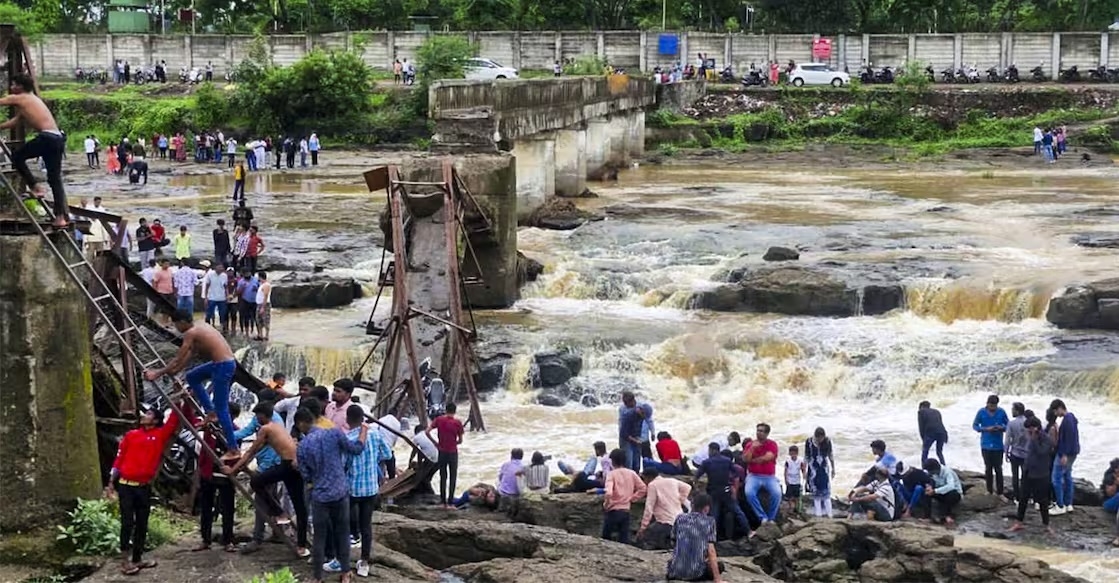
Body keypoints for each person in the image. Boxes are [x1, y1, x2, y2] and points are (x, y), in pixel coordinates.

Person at [144, 310, 241, 460]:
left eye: (176, 324)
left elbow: (178, 357)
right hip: (223, 364)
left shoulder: (191, 332)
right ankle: (210, 412)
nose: (176, 328)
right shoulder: (199, 326)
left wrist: (157, 373)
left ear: (182, 322)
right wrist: (175, 370)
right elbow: (189, 354)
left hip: (222, 366)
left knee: (222, 409)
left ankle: (234, 449)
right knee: (192, 377)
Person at [105, 403, 181, 575]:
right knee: (127, 522)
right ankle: (124, 560)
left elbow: (173, 420)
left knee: (142, 523)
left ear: (156, 420)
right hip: (126, 486)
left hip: (144, 487)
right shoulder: (131, 435)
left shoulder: (160, 435)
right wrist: (111, 481)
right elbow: (119, 458)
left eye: (148, 414)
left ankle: (137, 558)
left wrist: (179, 400)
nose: (144, 416)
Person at [227, 402, 310, 557]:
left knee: (256, 482)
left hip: (287, 465)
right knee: (300, 506)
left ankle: (279, 512)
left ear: (263, 415)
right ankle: (301, 545)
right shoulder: (278, 425)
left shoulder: (266, 429)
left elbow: (250, 452)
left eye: (257, 416)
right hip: (295, 465)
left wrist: (232, 470)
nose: (256, 419)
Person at [297, 407, 366, 583]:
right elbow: (356, 449)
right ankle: (345, 573)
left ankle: (317, 577)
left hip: (320, 495)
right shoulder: (334, 433)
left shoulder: (303, 445)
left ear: (301, 424)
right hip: (340, 492)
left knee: (319, 537)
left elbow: (305, 475)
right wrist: (363, 431)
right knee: (342, 532)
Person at [1, 74, 69, 227]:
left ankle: (35, 187)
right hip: (57, 138)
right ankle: (60, 218)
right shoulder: (31, 100)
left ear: (20, 86)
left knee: (17, 157)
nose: (11, 87)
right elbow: (14, 122)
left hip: (47, 138)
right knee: (54, 179)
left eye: (13, 84)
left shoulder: (20, 98)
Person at [343, 405, 391, 578]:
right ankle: (364, 562)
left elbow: (343, 464)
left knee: (345, 522)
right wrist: (372, 460)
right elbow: (387, 454)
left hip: (352, 488)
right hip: (371, 487)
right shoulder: (375, 434)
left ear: (347, 420)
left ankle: (342, 559)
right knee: (366, 525)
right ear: (362, 418)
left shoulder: (348, 438)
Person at [193, 403, 238, 553]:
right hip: (209, 473)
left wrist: (233, 470)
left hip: (226, 474)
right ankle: (205, 539)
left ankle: (228, 540)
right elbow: (196, 426)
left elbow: (236, 453)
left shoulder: (235, 432)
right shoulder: (211, 427)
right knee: (206, 507)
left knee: (227, 508)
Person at [693, 442, 748, 539]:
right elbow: (736, 473)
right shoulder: (727, 461)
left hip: (713, 492)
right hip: (726, 490)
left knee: (714, 515)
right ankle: (748, 531)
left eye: (709, 450)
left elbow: (696, 476)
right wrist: (732, 485)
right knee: (737, 511)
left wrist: (696, 488)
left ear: (712, 450)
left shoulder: (707, 462)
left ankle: (712, 536)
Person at [1009, 416, 1054, 533]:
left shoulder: (1046, 439)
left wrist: (1034, 440)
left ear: (1036, 428)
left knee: (1043, 501)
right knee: (1023, 498)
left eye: (1029, 429)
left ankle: (1046, 525)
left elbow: (1041, 452)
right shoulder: (1029, 437)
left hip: (1041, 474)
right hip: (1028, 472)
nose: (1027, 432)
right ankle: (1019, 522)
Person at [665, 494, 725, 583]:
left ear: (692, 505)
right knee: (720, 566)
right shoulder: (709, 522)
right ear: (706, 507)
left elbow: (673, 541)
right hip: (695, 573)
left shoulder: (680, 518)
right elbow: (711, 551)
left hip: (675, 572)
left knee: (673, 562)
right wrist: (717, 578)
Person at [638, 467, 691, 550]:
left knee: (649, 539)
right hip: (679, 520)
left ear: (648, 477)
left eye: (644, 479)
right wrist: (681, 499)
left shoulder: (652, 485)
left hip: (665, 522)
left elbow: (649, 507)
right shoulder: (671, 481)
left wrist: (643, 527)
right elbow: (687, 487)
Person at [602, 448, 647, 544]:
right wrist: (632, 498)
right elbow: (643, 488)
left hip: (613, 510)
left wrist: (606, 504)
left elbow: (609, 493)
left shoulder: (611, 474)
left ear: (612, 461)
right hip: (626, 510)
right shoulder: (631, 473)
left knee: (605, 538)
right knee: (623, 538)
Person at [426, 402, 465, 507]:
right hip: (453, 452)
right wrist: (454, 443)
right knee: (453, 477)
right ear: (455, 411)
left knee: (443, 476)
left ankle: (443, 501)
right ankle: (451, 501)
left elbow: (427, 432)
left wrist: (435, 443)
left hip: (442, 451)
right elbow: (460, 440)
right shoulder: (457, 423)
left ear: (445, 410)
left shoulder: (439, 420)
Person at [742, 423, 781, 524]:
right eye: (758, 430)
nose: (759, 433)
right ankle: (762, 517)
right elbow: (745, 459)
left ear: (767, 433)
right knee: (749, 492)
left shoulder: (772, 444)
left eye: (761, 431)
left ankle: (771, 518)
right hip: (753, 475)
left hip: (769, 476)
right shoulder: (750, 444)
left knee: (777, 493)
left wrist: (753, 460)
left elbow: (767, 457)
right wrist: (752, 448)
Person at [973, 394, 1009, 499]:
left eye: (995, 406)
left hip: (998, 445)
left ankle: (1000, 492)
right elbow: (975, 426)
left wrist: (1001, 427)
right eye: (991, 405)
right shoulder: (981, 412)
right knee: (988, 468)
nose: (993, 408)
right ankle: (989, 490)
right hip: (985, 445)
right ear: (987, 403)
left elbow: (1008, 426)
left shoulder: (1001, 412)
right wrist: (985, 429)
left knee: (998, 469)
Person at [1049, 399, 1080, 515]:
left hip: (1065, 453)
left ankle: (1060, 505)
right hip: (1073, 452)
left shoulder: (1067, 420)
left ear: (1060, 408)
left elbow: (1068, 438)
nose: (1055, 414)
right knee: (1067, 476)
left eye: (1055, 411)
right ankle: (1068, 504)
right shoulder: (1071, 418)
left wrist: (1064, 454)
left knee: (1056, 478)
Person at [805, 427, 835, 518]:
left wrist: (833, 468)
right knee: (815, 491)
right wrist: (804, 470)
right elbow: (806, 456)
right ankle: (818, 514)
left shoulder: (827, 441)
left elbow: (830, 455)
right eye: (818, 438)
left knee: (826, 490)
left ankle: (829, 513)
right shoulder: (809, 442)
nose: (820, 440)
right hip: (813, 469)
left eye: (822, 438)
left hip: (823, 468)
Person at [921, 459, 962, 525]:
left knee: (950, 495)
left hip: (954, 493)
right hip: (940, 492)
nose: (929, 473)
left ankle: (947, 516)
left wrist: (935, 491)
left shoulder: (947, 472)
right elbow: (931, 481)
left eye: (930, 471)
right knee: (926, 493)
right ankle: (927, 516)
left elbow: (951, 486)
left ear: (935, 469)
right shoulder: (933, 474)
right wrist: (930, 487)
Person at [1005, 402, 1029, 503]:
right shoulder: (1028, 422)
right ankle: (1025, 496)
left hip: (1015, 453)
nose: (1012, 411)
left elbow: (1007, 439)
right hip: (1027, 454)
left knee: (1015, 476)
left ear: (1017, 411)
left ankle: (1017, 497)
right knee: (1025, 477)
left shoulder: (1011, 423)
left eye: (1013, 409)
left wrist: (1006, 452)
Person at [618, 391, 643, 471]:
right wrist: (635, 440)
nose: (625, 404)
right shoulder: (627, 414)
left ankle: (636, 474)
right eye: (624, 403)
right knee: (628, 462)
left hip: (635, 435)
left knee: (636, 461)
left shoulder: (641, 407)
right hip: (626, 438)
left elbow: (647, 419)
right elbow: (623, 433)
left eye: (626, 403)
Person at [202, 261, 229, 333]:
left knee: (222, 314)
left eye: (222, 267)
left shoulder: (224, 275)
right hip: (212, 297)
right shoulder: (210, 274)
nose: (221, 268)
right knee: (209, 313)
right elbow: (207, 286)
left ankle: (223, 328)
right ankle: (207, 327)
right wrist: (206, 297)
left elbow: (226, 287)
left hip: (222, 298)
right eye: (219, 267)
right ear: (215, 267)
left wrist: (227, 296)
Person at [917, 401, 948, 465]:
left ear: (921, 406)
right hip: (942, 432)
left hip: (930, 432)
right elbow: (940, 424)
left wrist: (923, 439)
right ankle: (944, 466)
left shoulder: (921, 412)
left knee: (925, 451)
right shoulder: (937, 411)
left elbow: (921, 426)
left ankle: (924, 467)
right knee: (939, 452)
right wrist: (945, 435)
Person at [784, 445, 806, 514]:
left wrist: (804, 475)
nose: (793, 455)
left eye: (794, 453)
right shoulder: (788, 461)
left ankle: (796, 507)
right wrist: (786, 480)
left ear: (797, 453)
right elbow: (785, 471)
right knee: (789, 496)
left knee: (797, 496)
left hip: (797, 481)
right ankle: (791, 507)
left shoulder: (800, 460)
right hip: (790, 481)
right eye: (791, 453)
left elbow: (803, 469)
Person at [255, 271, 272, 341]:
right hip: (259, 304)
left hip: (264, 305)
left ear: (260, 277)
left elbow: (265, 296)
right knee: (259, 320)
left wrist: (263, 307)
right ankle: (260, 335)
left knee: (266, 320)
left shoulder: (266, 285)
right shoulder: (261, 284)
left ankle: (266, 335)